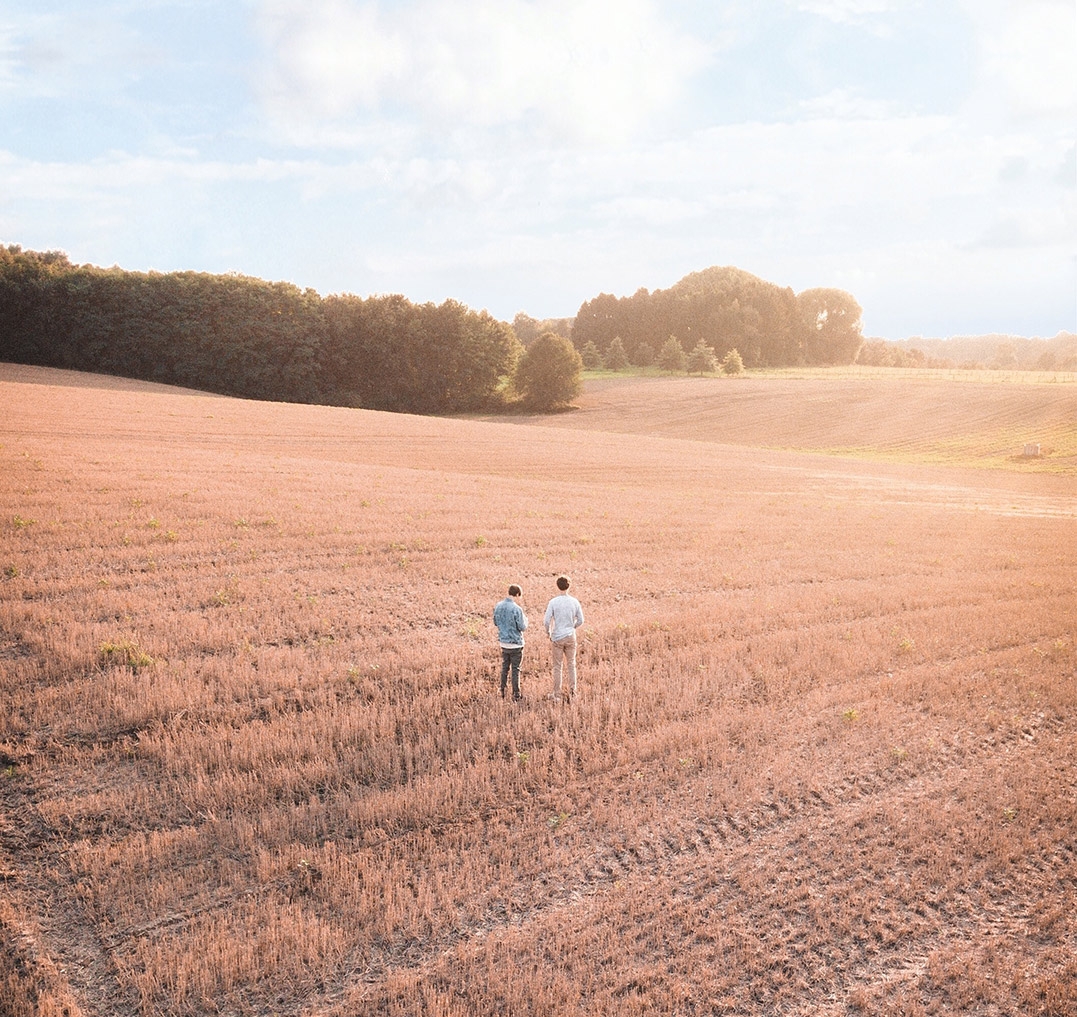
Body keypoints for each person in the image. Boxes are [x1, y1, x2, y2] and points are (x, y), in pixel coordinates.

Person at [543, 575, 584, 702]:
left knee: (557, 666)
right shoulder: (575, 602)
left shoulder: (553, 602)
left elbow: (546, 620)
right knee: (572, 664)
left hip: (557, 637)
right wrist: (573, 627)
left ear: (557, 586)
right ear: (569, 586)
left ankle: (557, 694)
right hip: (571, 636)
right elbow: (581, 620)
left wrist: (548, 632)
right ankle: (573, 692)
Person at [493, 584, 528, 700]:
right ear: (517, 594)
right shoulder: (517, 609)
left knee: (505, 667)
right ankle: (516, 694)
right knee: (515, 669)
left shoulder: (498, 606)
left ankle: (502, 690)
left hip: (503, 642)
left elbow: (495, 622)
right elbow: (522, 627)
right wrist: (526, 620)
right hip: (515, 643)